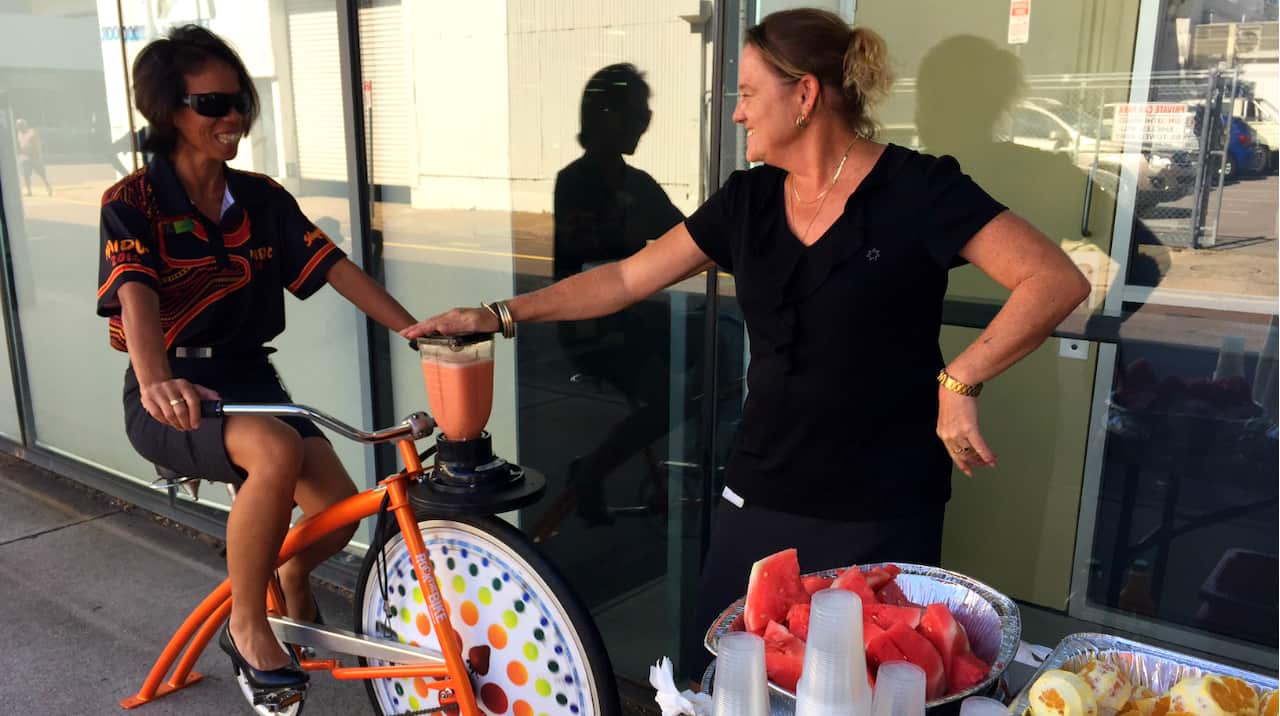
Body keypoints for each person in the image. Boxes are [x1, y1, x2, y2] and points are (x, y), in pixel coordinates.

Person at [403, 7, 1090, 675]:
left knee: (863, 692)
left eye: (749, 93)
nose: (737, 112)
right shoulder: (748, 200)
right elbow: (623, 279)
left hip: (881, 506)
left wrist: (962, 378)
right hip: (759, 495)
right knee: (728, 683)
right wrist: (498, 314)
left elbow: (1052, 280)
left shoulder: (918, 189)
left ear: (806, 95)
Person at [95, 26, 416, 694]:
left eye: (239, 100)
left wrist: (416, 330)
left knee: (339, 506)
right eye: (212, 104)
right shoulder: (133, 203)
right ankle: (247, 624)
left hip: (250, 376)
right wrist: (156, 380)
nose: (234, 116)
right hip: (176, 383)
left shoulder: (261, 196)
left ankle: (291, 577)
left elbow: (331, 266)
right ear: (168, 111)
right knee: (273, 452)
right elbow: (136, 296)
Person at [546, 63, 684, 530]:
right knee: (671, 401)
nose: (645, 121)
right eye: (636, 111)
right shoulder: (577, 181)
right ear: (605, 116)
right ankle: (592, 471)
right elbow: (584, 256)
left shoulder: (636, 182)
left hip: (629, 318)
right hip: (594, 326)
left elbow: (689, 235)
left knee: (717, 352)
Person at [16, 119, 52, 197]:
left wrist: (38, 155)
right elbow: (20, 144)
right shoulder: (18, 134)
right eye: (19, 126)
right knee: (26, 175)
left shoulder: (32, 132)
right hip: (24, 157)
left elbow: (37, 144)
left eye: (21, 125)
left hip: (34, 157)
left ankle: (48, 188)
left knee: (41, 174)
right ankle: (29, 191)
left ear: (25, 125)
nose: (20, 127)